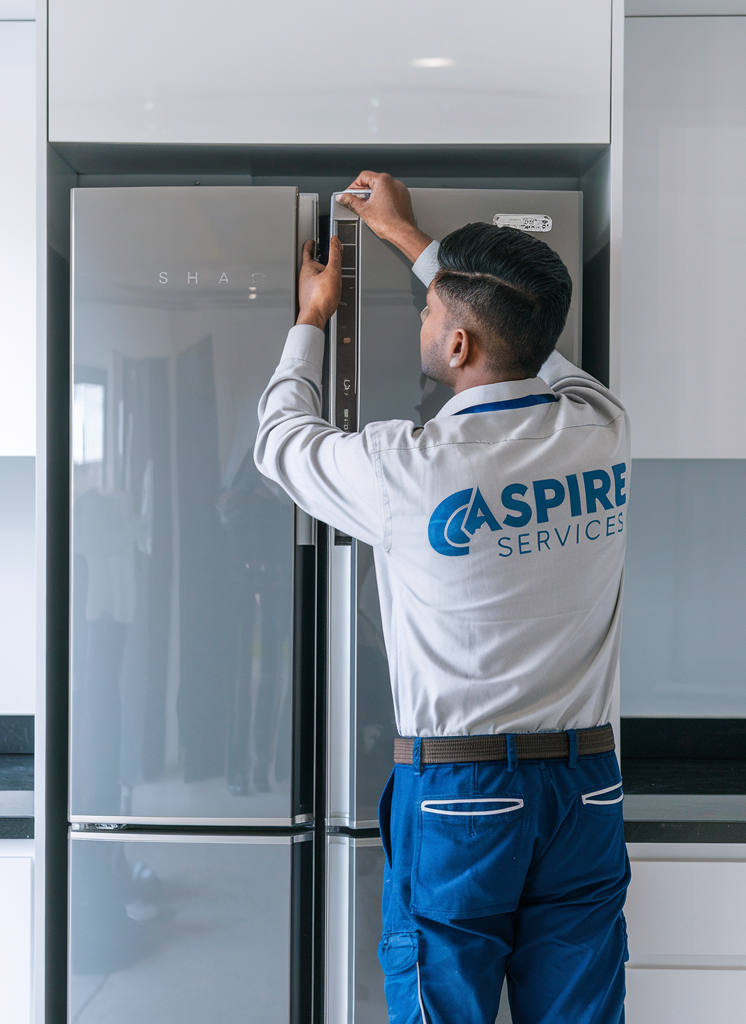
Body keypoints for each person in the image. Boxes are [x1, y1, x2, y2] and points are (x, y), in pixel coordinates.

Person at [254, 171, 630, 1024]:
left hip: (464, 799)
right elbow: (526, 343)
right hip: (588, 789)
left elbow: (280, 442)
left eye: (430, 316)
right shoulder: (603, 424)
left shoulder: (404, 469)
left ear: (458, 347)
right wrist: (415, 247)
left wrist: (311, 319)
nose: (424, 321)